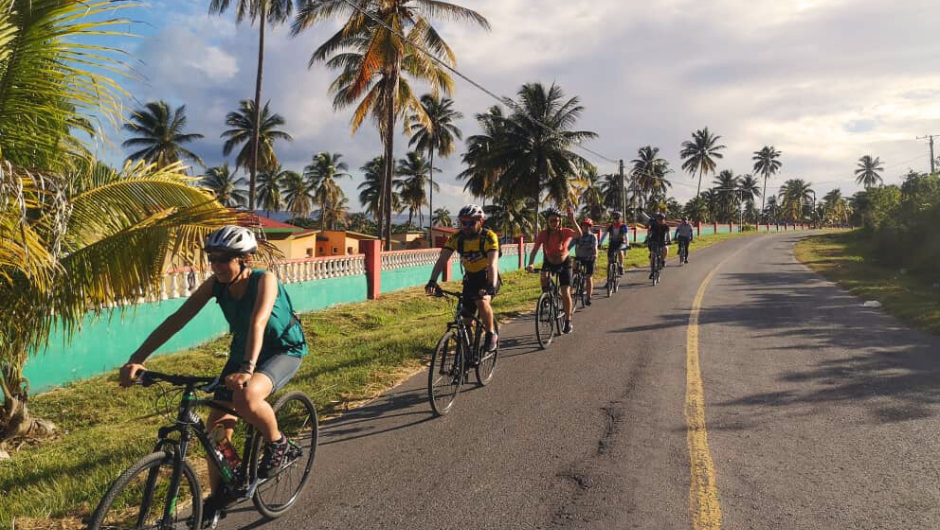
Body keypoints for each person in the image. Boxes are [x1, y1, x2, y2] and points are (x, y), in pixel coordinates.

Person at [118, 225, 308, 526]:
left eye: (225, 259)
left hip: (281, 350)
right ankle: (221, 497)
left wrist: (247, 370)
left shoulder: (265, 280)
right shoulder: (215, 285)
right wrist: (137, 359)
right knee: (216, 430)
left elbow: (259, 322)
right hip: (242, 351)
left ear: (244, 259)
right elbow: (177, 319)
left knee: (246, 397)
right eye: (213, 259)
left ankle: (279, 443)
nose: (217, 265)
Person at [426, 204, 500, 353]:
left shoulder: (489, 237)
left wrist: (490, 286)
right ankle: (467, 352)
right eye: (463, 222)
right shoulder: (456, 238)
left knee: (482, 301)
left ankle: (491, 334)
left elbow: (492, 263)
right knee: (465, 318)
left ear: (481, 222)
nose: (467, 226)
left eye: (471, 222)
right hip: (470, 278)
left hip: (488, 276)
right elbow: (442, 260)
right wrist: (432, 280)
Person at [526, 205, 582, 334]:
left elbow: (578, 234)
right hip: (549, 261)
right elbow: (534, 250)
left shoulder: (565, 231)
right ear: (547, 221)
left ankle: (568, 320)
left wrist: (572, 220)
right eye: (551, 220)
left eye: (556, 220)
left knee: (565, 292)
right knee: (544, 277)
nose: (554, 223)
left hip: (565, 263)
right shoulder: (543, 234)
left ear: (560, 221)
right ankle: (547, 296)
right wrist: (531, 264)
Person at [571, 218, 599, 306]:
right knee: (574, 267)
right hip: (579, 257)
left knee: (588, 277)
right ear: (581, 226)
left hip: (589, 258)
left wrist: (594, 256)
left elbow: (595, 248)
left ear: (590, 227)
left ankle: (588, 297)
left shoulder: (592, 236)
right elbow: (569, 245)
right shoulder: (578, 235)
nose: (585, 227)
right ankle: (574, 281)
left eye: (588, 226)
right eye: (584, 225)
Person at [599, 211, 630, 275]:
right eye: (614, 218)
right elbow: (604, 234)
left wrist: (627, 244)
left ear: (620, 219)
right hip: (612, 243)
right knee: (609, 259)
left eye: (617, 218)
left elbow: (626, 236)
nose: (615, 220)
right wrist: (600, 243)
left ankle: (621, 266)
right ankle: (609, 278)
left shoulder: (623, 226)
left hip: (621, 242)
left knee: (620, 251)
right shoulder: (611, 226)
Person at [646, 213, 671, 279]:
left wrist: (669, 240)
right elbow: (649, 233)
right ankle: (652, 271)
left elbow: (668, 234)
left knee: (665, 248)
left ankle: (663, 260)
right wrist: (647, 238)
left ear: (664, 220)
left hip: (662, 241)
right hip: (654, 241)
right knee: (652, 256)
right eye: (659, 219)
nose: (660, 221)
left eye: (661, 219)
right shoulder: (653, 226)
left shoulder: (666, 226)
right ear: (657, 220)